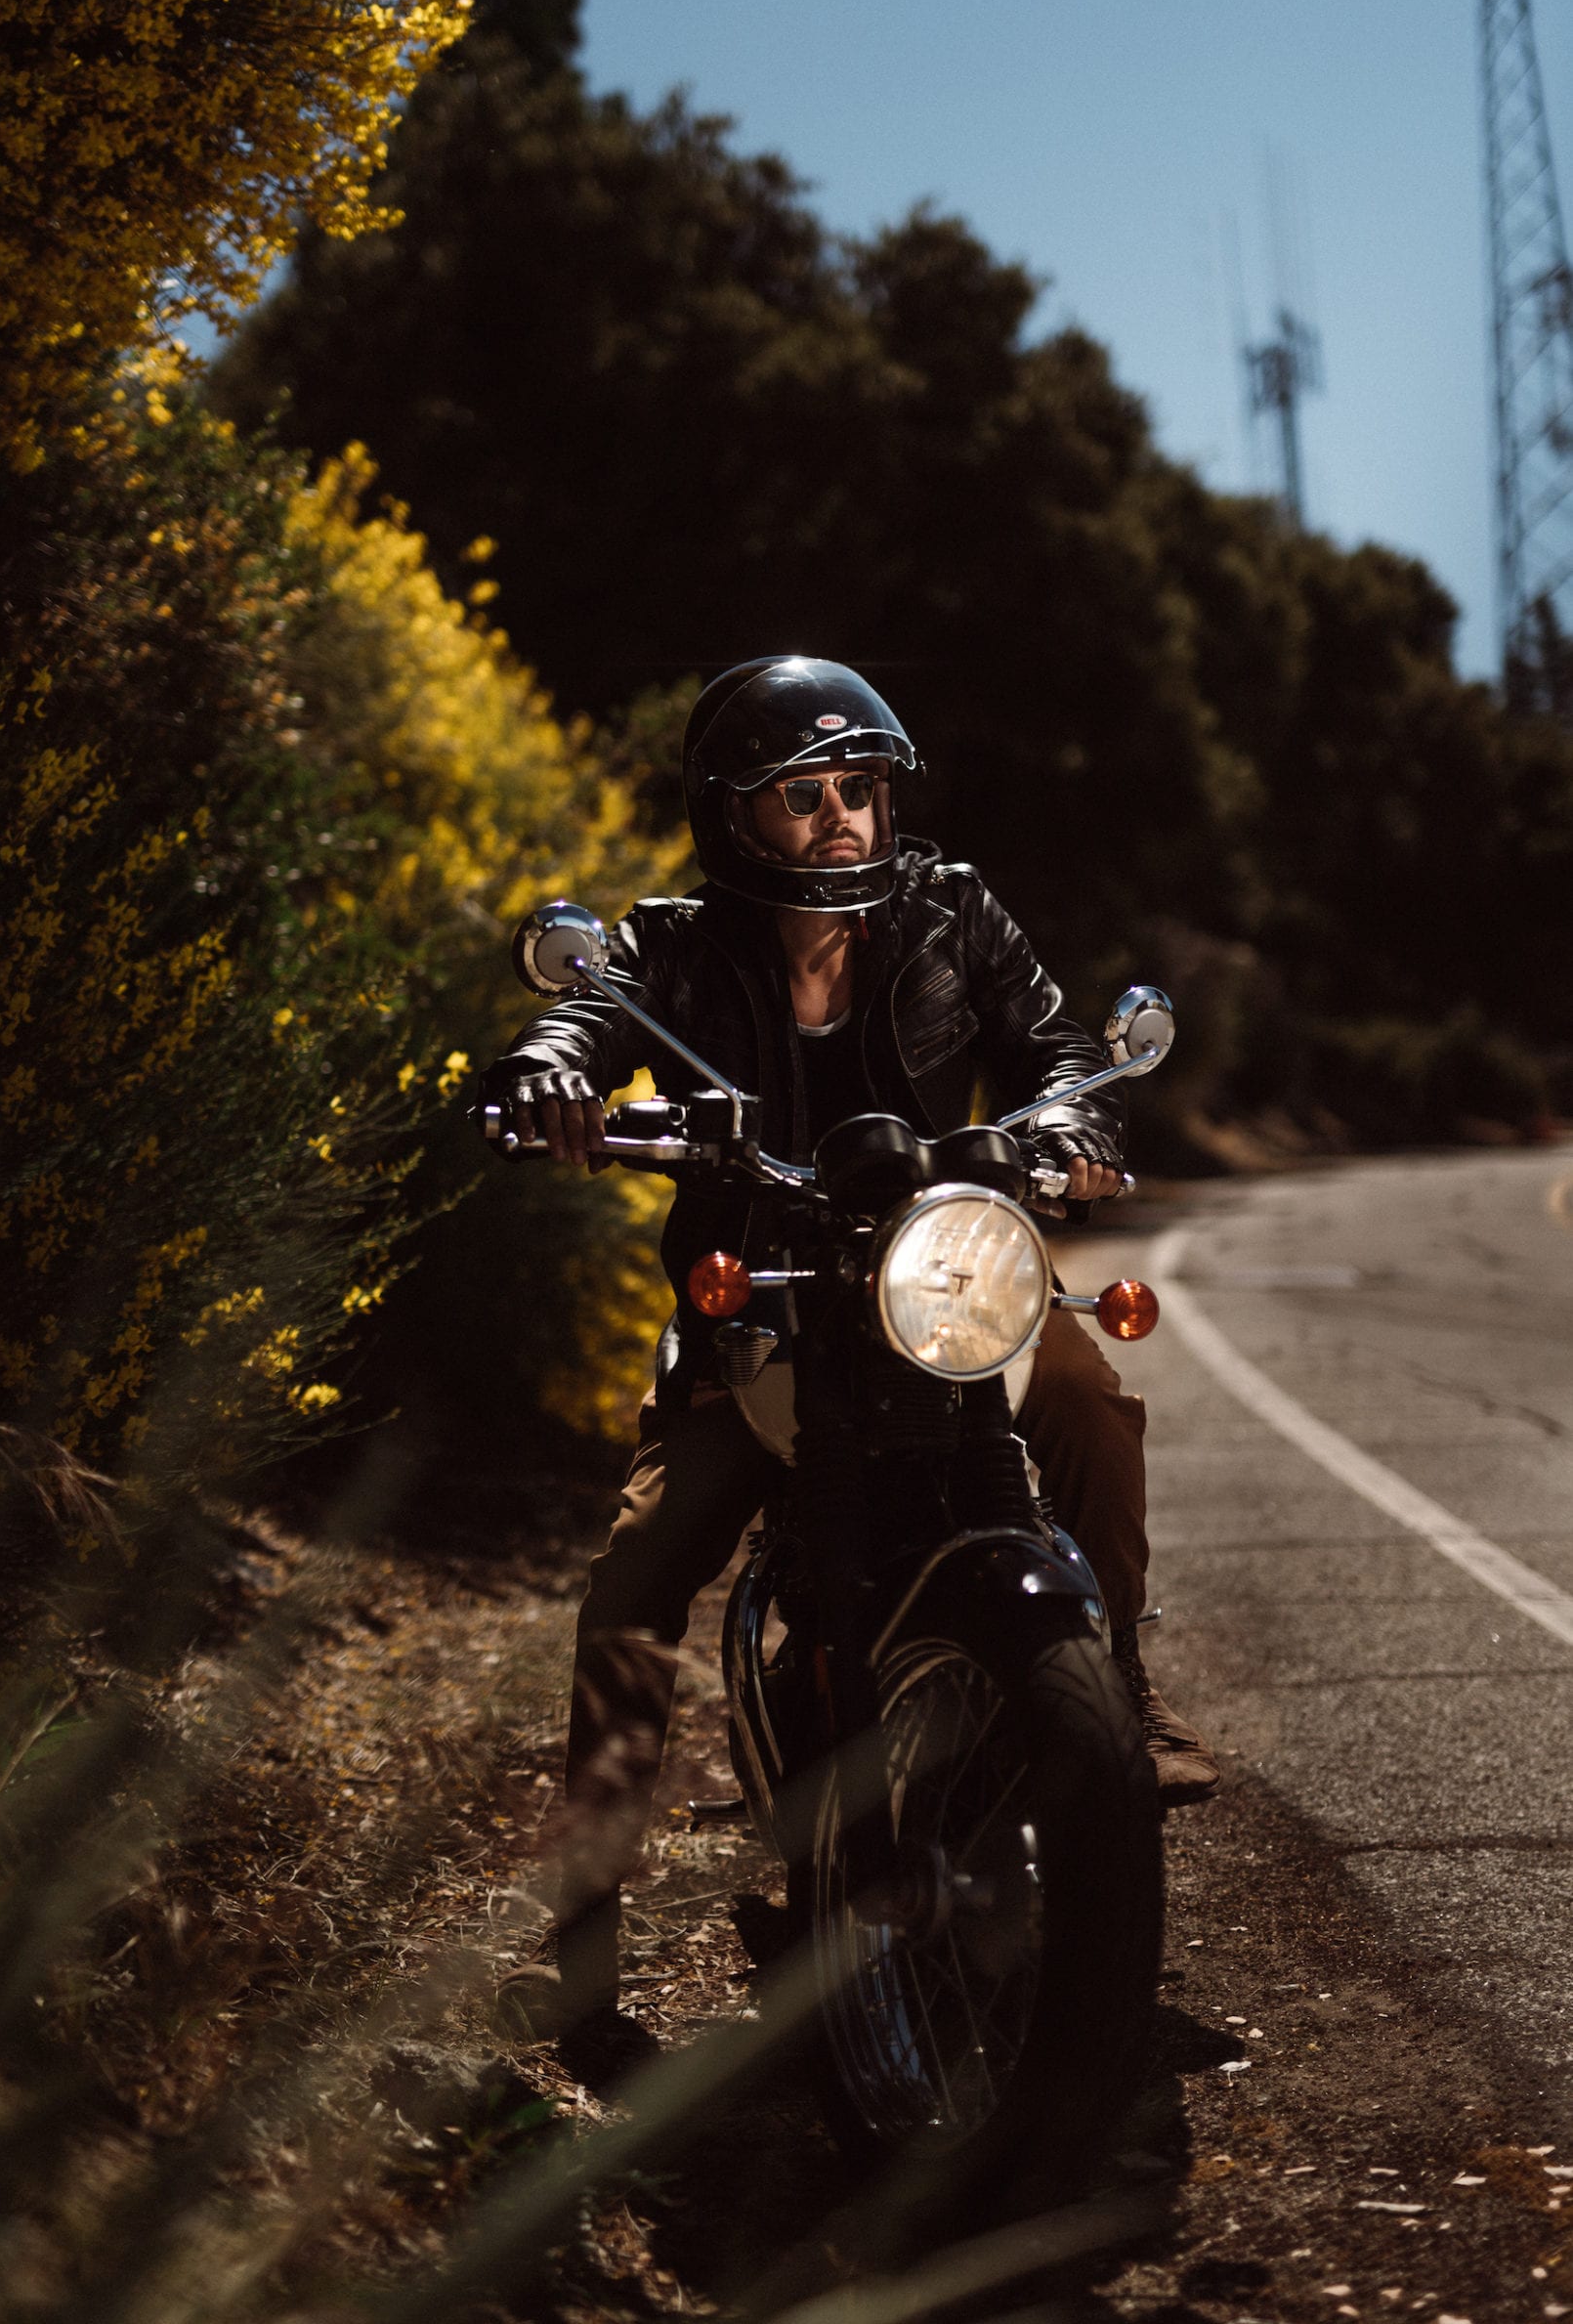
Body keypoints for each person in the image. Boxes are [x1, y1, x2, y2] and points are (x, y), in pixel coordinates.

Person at [479, 656, 1218, 2043]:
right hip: (760, 1303)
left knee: (1084, 1401)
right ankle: (581, 1951)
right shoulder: (676, 944)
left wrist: (1076, 1127)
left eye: (859, 793)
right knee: (635, 1589)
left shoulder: (953, 911)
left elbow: (1059, 1049)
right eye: (803, 799)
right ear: (733, 819)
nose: (842, 823)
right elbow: (589, 1008)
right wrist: (553, 1069)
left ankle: (1109, 1693)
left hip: (944, 1281)